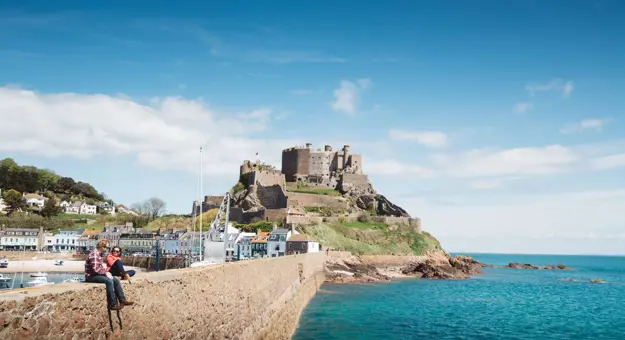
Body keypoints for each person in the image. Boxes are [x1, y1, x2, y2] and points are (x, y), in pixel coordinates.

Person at [85, 239, 134, 310]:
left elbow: (100, 268)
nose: (107, 249)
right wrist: (106, 273)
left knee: (116, 279)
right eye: (107, 247)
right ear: (102, 247)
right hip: (91, 276)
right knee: (109, 281)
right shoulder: (94, 254)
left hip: (96, 274)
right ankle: (113, 304)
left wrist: (106, 272)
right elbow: (96, 269)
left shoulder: (99, 255)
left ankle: (122, 301)